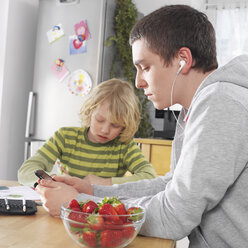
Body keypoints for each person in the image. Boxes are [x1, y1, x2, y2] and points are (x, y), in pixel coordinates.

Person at [35, 5, 248, 247]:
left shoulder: (220, 104)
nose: (138, 82)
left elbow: (174, 215)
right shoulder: (196, 107)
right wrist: (94, 192)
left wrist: (78, 204)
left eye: (145, 67)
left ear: (183, 60)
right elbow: (172, 184)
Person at [18, 78, 157, 187]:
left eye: (115, 125)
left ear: (124, 126)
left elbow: (150, 177)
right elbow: (27, 170)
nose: (105, 130)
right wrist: (51, 183)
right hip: (64, 205)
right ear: (90, 112)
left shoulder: (124, 146)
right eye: (99, 119)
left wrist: (105, 183)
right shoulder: (65, 137)